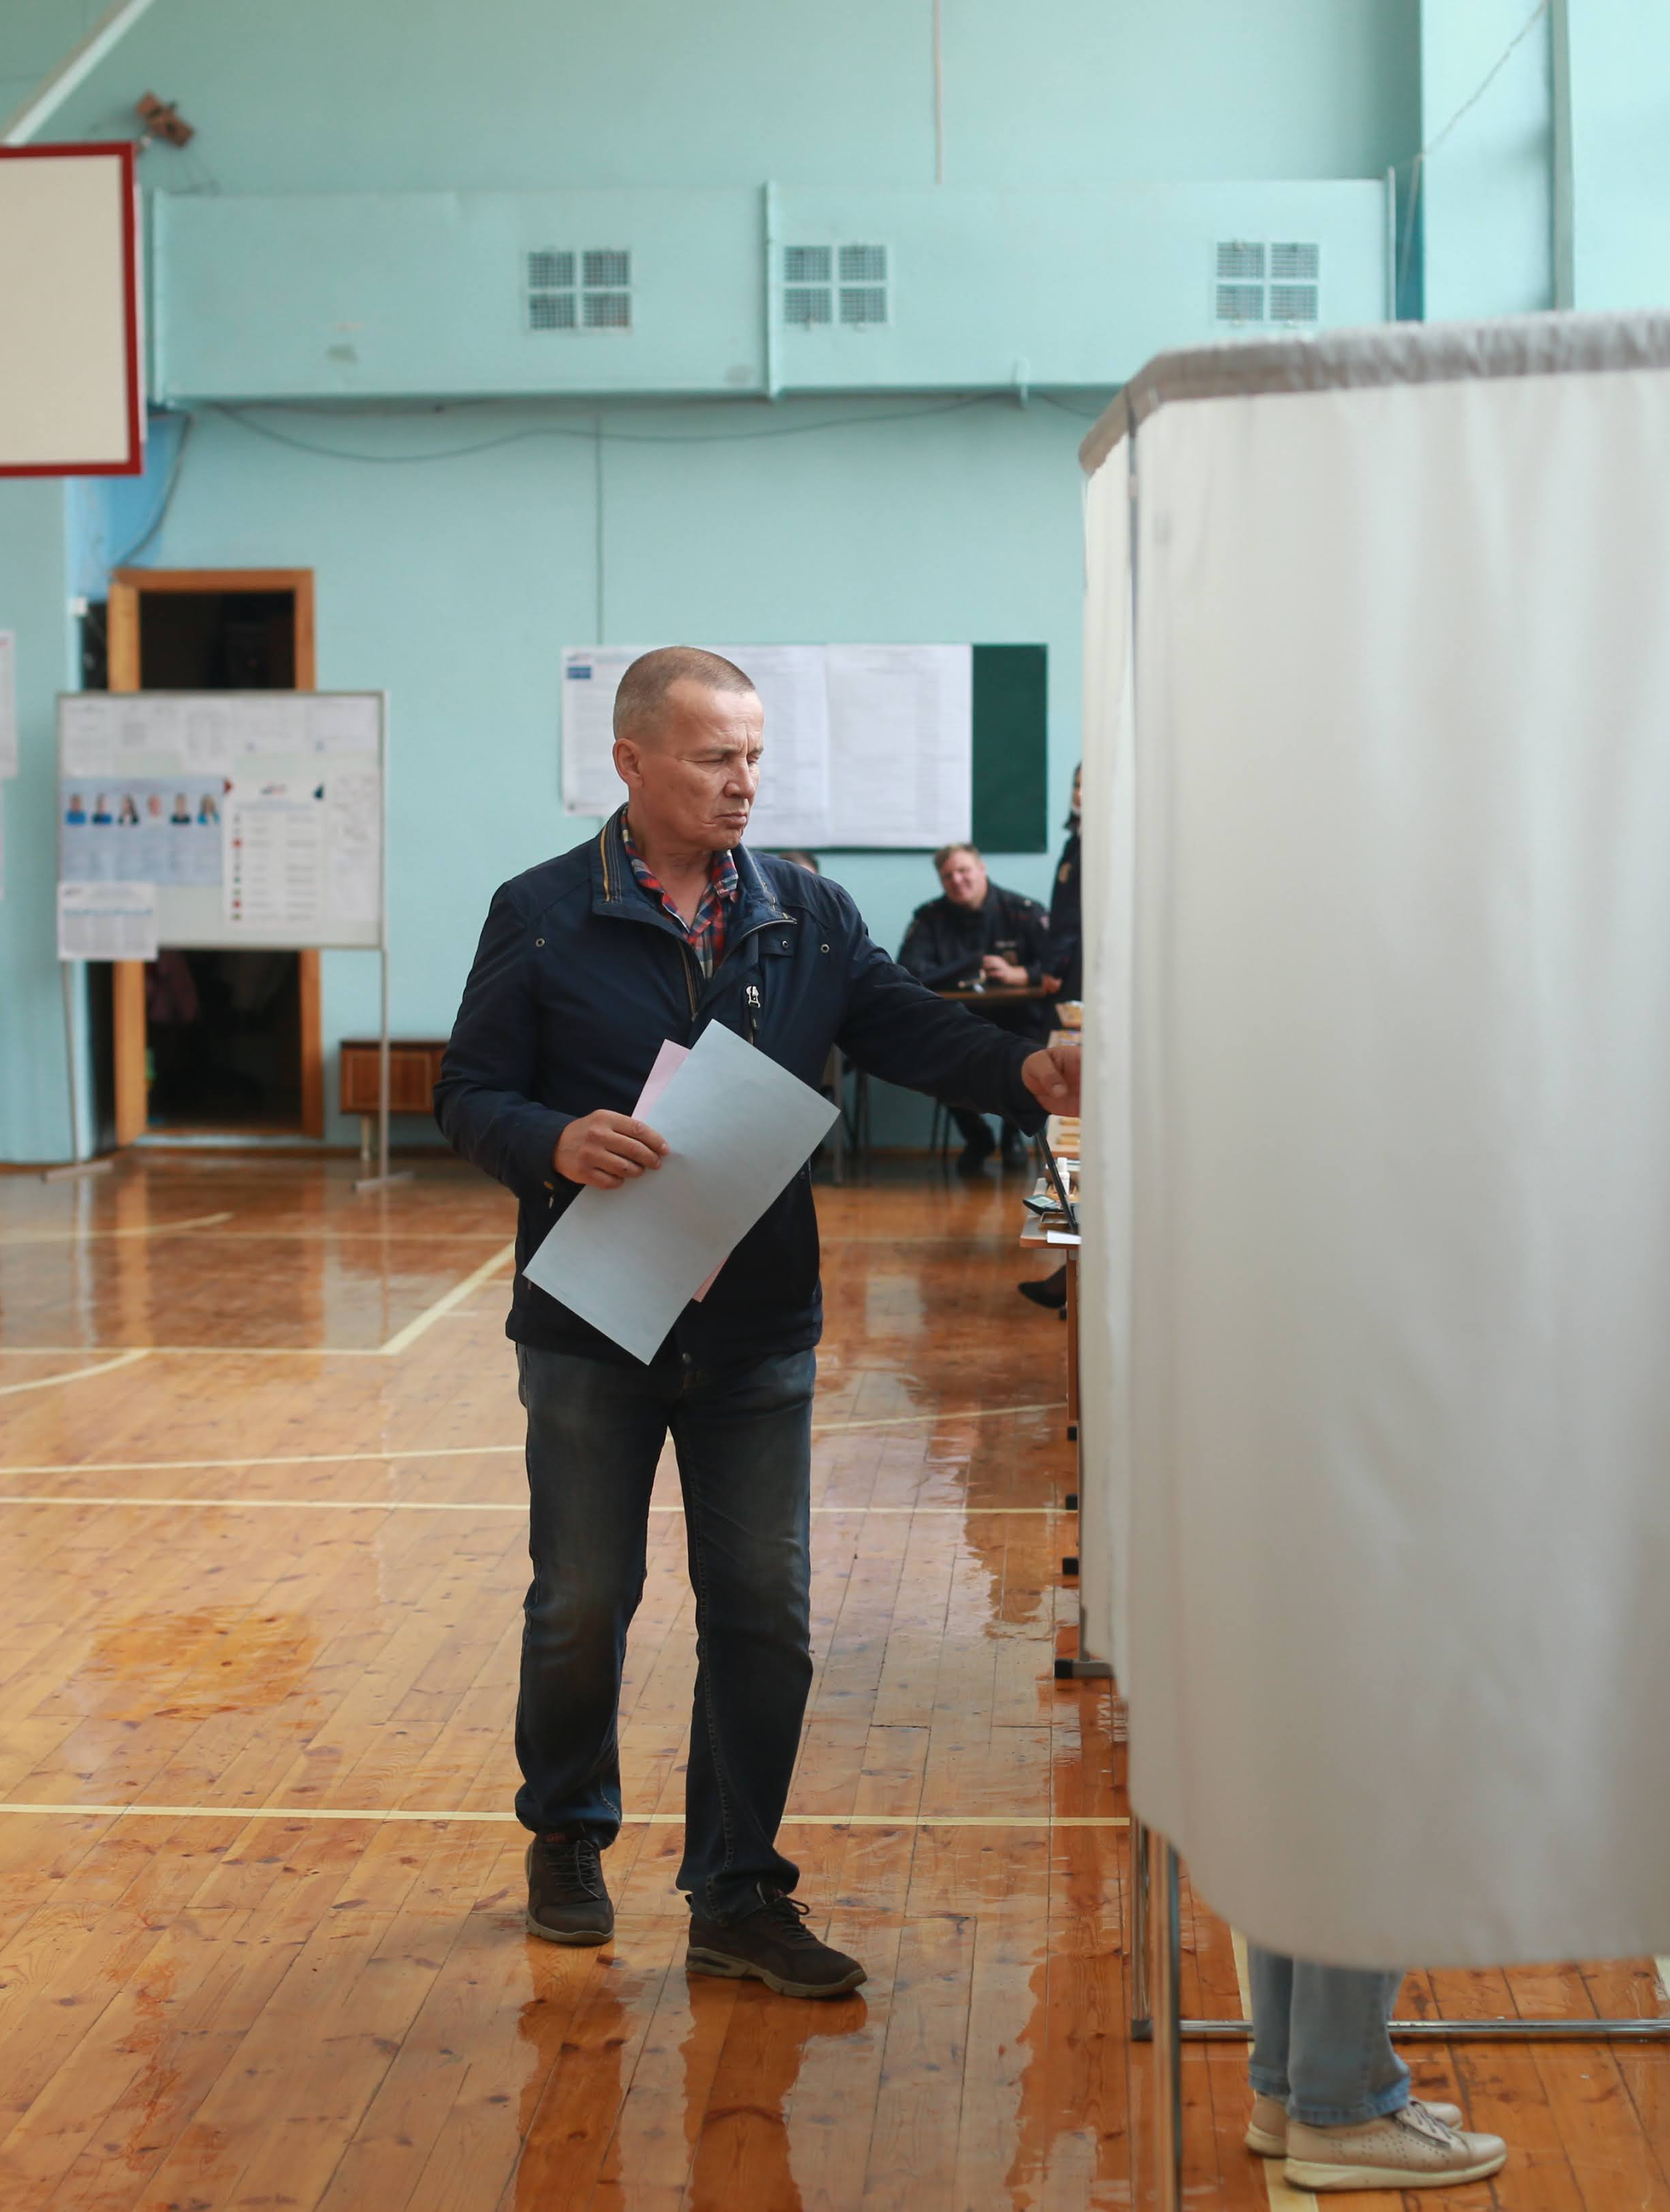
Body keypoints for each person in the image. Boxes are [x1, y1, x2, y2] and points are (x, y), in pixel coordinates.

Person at [436, 646, 1079, 1998]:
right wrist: (552, 1141)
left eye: (754, 757)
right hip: (594, 1322)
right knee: (581, 1600)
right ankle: (567, 1831)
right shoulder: (540, 912)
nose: (744, 782)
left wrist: (1024, 1066)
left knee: (763, 1612)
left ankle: (736, 1889)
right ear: (630, 764)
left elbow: (909, 1031)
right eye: (714, 757)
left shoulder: (807, 911)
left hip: (755, 1327)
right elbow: (469, 1092)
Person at [1242, 1951, 1507, 2191]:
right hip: (1347, 2105)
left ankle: (1286, 2094)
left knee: (1298, 1912)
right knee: (1355, 1913)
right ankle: (1346, 2114)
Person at [896, 843, 1056, 1173]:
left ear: (982, 869)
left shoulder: (1023, 911)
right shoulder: (929, 917)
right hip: (956, 1020)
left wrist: (1021, 974)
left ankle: (1013, 1137)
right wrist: (972, 965)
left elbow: (1059, 968)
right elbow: (908, 971)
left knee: (1029, 1050)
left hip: (1019, 1019)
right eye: (948, 876)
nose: (957, 880)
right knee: (933, 1052)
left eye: (964, 870)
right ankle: (977, 1137)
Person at [1022, 774, 1083, 1308]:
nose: (1081, 794)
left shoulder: (1097, 845)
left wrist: (1056, 966)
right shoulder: (1075, 842)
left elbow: (1075, 921)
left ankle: (1076, 1275)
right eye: (1077, 785)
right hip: (1068, 978)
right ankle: (1070, 1269)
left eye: (1091, 784)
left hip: (1079, 975)